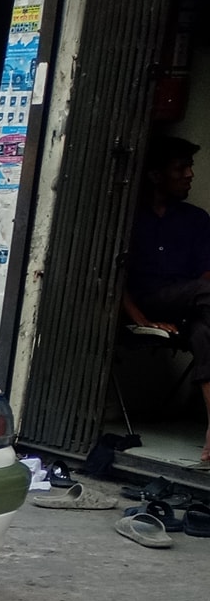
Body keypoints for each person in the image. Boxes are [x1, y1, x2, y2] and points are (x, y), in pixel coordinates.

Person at [123, 133, 210, 464]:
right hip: (145, 304)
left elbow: (205, 274)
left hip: (189, 304)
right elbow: (113, 278)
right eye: (181, 167)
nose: (189, 174)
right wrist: (139, 320)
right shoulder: (130, 218)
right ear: (156, 175)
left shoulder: (196, 219)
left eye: (190, 166)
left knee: (205, 331)